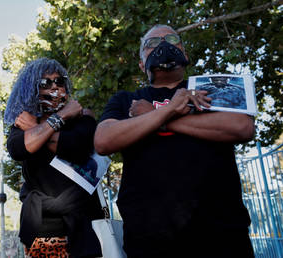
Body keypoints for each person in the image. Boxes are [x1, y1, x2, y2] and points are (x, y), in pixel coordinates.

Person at [94, 24, 255, 258]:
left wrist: (160, 118)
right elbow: (103, 140)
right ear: (141, 64)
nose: (163, 45)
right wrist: (166, 111)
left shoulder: (210, 90)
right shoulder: (127, 100)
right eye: (151, 43)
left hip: (222, 234)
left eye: (171, 39)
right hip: (150, 240)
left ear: (185, 54)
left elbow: (242, 127)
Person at [5, 58, 103, 257]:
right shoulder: (20, 123)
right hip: (42, 227)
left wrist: (38, 129)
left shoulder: (82, 120)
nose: (54, 87)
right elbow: (18, 149)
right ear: (31, 88)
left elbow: (77, 148)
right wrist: (60, 118)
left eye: (59, 81)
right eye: (45, 83)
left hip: (83, 226)